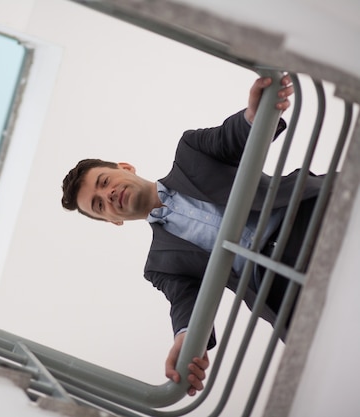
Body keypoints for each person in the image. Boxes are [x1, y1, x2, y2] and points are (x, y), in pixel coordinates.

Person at [60, 76, 324, 396]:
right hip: (282, 287)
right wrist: (186, 342)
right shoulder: (160, 266)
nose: (110, 195)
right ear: (112, 221)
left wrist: (254, 116)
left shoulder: (190, 152)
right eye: (99, 205)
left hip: (308, 215)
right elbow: (185, 305)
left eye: (104, 182)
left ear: (125, 168)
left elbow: (232, 138)